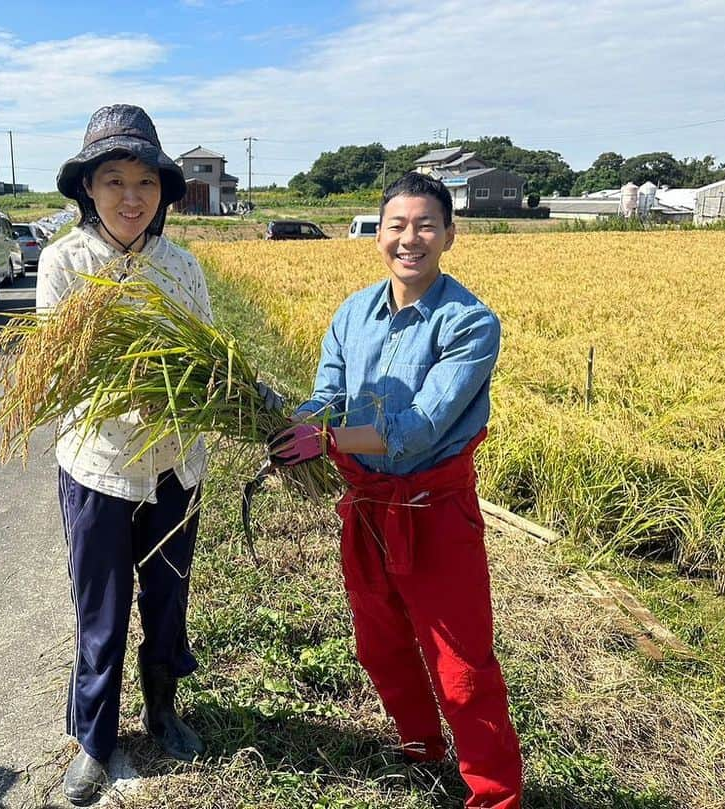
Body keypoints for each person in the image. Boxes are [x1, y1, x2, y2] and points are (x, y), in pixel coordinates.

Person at [268, 172, 524, 809]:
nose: (410, 238)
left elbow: (418, 429)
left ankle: (496, 795)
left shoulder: (470, 324)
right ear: (378, 233)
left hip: (435, 513)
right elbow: (328, 395)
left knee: (462, 666)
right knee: (379, 644)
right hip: (366, 508)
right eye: (396, 225)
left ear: (449, 235)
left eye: (426, 225)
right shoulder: (353, 313)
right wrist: (292, 421)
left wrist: (325, 443)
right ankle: (420, 747)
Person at [36, 104, 215, 806]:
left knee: (167, 599)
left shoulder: (182, 267)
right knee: (100, 610)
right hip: (99, 467)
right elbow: (64, 370)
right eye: (114, 180)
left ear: (164, 192)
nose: (131, 197)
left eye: (145, 181)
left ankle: (163, 705)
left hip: (175, 465)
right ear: (87, 188)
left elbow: (206, 363)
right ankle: (94, 739)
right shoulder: (64, 264)